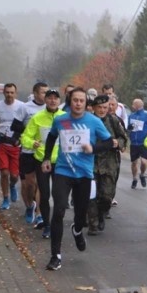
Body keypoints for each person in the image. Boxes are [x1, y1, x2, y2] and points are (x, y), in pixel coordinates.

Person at [41, 87, 115, 271]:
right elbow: (51, 138)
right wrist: (46, 159)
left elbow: (108, 142)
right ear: (70, 101)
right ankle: (55, 256)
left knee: (81, 216)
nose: (78, 104)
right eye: (75, 100)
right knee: (58, 210)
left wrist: (93, 148)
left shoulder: (94, 121)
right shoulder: (61, 120)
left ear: (86, 103)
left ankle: (77, 229)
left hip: (84, 174)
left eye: (82, 101)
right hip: (63, 172)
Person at [20, 89, 65, 239]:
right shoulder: (37, 118)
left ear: (59, 101)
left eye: (55, 98)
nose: (52, 101)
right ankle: (46, 224)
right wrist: (32, 143)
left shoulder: (64, 118)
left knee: (59, 196)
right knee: (44, 195)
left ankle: (57, 223)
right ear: (45, 100)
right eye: (49, 98)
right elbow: (25, 137)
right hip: (42, 161)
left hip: (60, 162)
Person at [86, 95, 128, 235]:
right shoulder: (87, 120)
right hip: (91, 163)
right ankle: (93, 224)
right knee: (91, 195)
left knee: (106, 196)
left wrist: (118, 143)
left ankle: (101, 214)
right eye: (99, 108)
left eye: (105, 107)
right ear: (93, 108)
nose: (103, 110)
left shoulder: (113, 120)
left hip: (109, 164)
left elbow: (124, 137)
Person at [12, 82, 47, 224]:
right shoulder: (25, 107)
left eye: (47, 92)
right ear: (35, 93)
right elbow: (15, 125)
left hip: (42, 151)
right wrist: (30, 129)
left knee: (40, 183)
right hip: (27, 150)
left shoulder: (49, 108)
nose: (46, 95)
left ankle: (39, 213)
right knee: (29, 185)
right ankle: (29, 205)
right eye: (43, 92)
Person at [0, 83, 25, 210]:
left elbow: (26, 123)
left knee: (14, 175)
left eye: (12, 92)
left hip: (15, 145)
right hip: (2, 144)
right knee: (4, 173)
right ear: (3, 93)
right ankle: (5, 198)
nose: (9, 95)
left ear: (16, 93)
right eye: (7, 92)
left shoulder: (21, 106)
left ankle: (13, 185)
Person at [128, 99, 147, 189]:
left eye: (133, 104)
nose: (132, 106)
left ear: (138, 105)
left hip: (144, 142)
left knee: (144, 162)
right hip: (134, 143)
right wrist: (129, 129)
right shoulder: (131, 116)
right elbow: (128, 128)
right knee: (134, 162)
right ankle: (134, 179)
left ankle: (142, 174)